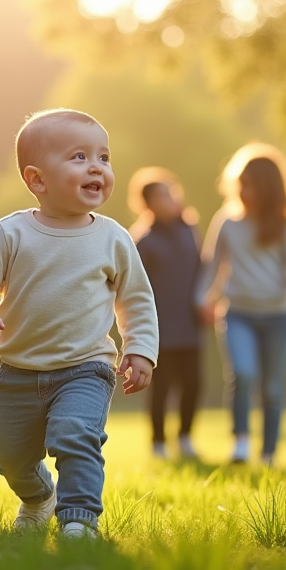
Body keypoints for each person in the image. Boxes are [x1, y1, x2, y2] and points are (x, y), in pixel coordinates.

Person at [0, 108, 159, 539]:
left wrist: (140, 348)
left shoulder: (113, 238)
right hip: (17, 372)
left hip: (86, 368)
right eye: (79, 157)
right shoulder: (11, 233)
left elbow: (137, 300)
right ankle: (37, 497)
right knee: (10, 458)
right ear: (37, 180)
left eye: (103, 158)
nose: (96, 167)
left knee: (76, 435)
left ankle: (78, 521)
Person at [198, 143, 286, 468]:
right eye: (240, 185)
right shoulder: (227, 222)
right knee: (243, 374)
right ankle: (240, 442)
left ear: (267, 189)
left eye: (249, 186)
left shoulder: (283, 226)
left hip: (278, 316)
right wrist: (202, 299)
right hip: (238, 314)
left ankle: (269, 453)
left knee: (273, 388)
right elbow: (212, 266)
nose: (243, 192)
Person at [129, 168, 204, 460]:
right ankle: (158, 442)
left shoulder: (189, 230)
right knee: (160, 388)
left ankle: (185, 438)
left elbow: (201, 270)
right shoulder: (143, 241)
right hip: (158, 328)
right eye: (162, 195)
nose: (170, 198)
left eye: (171, 191)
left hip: (189, 324)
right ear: (148, 204)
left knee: (193, 384)